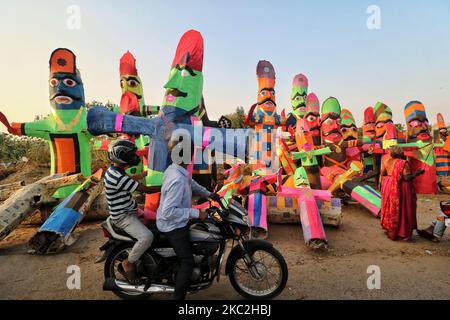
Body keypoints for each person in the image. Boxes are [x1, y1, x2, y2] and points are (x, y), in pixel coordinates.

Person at [156, 135, 220, 300]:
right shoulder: (177, 178)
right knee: (187, 264)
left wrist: (210, 194)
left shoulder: (176, 169)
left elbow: (192, 183)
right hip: (172, 226)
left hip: (177, 221)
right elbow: (168, 211)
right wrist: (196, 213)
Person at [105, 139, 161, 284]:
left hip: (131, 210)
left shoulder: (114, 171)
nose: (134, 157)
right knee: (147, 237)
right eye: (131, 155)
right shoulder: (118, 177)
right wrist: (168, 184)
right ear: (121, 156)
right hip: (123, 217)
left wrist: (142, 175)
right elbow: (146, 190)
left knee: (159, 222)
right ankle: (128, 263)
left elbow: (127, 179)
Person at [379, 146, 424, 241]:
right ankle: (402, 232)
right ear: (401, 153)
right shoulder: (403, 163)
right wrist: (417, 173)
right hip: (401, 188)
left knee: (391, 208)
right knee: (404, 208)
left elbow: (383, 173)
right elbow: (407, 178)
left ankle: (390, 229)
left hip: (389, 186)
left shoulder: (388, 161)